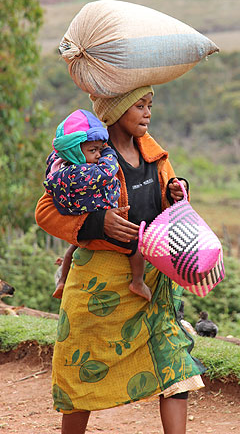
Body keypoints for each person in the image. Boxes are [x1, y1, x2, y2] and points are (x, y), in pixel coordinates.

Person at [35, 85, 204, 434]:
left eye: (149, 105)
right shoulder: (90, 154)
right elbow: (45, 211)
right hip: (100, 284)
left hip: (152, 278)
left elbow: (168, 193)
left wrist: (177, 192)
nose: (147, 113)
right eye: (139, 106)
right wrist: (97, 222)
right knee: (82, 370)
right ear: (114, 111)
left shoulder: (152, 153)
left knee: (175, 365)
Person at [44, 109, 151, 302]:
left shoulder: (58, 166)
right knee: (136, 247)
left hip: (80, 217)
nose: (98, 155)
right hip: (101, 222)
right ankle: (137, 282)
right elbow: (108, 169)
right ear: (74, 151)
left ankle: (62, 281)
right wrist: (108, 150)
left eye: (99, 150)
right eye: (93, 151)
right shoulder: (84, 171)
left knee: (73, 248)